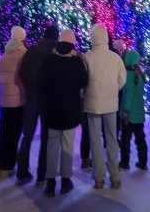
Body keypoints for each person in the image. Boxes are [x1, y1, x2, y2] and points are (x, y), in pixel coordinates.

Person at [39, 29, 88, 198]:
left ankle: (50, 182)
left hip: (52, 110)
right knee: (68, 145)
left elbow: (42, 83)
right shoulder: (77, 62)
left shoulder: (50, 60)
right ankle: (66, 180)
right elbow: (84, 82)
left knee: (52, 145)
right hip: (70, 110)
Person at [83, 24, 126, 189]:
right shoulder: (115, 57)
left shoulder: (87, 57)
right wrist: (113, 89)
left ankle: (99, 177)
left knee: (95, 140)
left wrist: (85, 93)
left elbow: (82, 81)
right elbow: (122, 79)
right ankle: (115, 176)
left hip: (92, 104)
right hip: (111, 103)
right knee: (112, 139)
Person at [16, 23, 59, 185]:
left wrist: (29, 88)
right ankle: (42, 174)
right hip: (48, 100)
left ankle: (22, 171)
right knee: (46, 138)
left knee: (27, 135)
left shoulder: (31, 51)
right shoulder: (54, 54)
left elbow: (22, 73)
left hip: (31, 98)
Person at [0, 26, 28, 178]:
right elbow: (23, 78)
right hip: (18, 101)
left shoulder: (5, 54)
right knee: (14, 134)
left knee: (4, 133)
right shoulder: (23, 55)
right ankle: (9, 166)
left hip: (4, 100)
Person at [119, 47, 148, 171]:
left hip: (129, 116)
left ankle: (125, 162)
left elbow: (129, 95)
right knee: (140, 138)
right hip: (139, 115)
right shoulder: (140, 74)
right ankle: (143, 162)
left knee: (125, 139)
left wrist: (125, 111)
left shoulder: (129, 76)